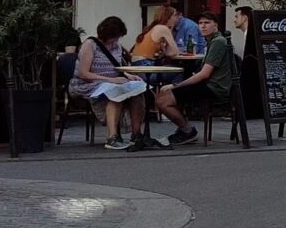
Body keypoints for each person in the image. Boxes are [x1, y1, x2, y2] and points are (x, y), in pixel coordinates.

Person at [149, 12, 237, 143]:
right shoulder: (213, 41)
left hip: (214, 87)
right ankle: (185, 129)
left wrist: (176, 85)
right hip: (210, 84)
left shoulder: (218, 42)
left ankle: (187, 131)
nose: (203, 26)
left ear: (216, 26)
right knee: (166, 96)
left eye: (207, 23)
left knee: (162, 100)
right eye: (201, 23)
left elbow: (204, 74)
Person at [72, 15, 154, 151]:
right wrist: (112, 80)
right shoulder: (90, 45)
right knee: (115, 92)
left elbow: (117, 66)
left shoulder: (117, 46)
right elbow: (84, 74)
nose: (116, 40)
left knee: (138, 91)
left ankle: (136, 134)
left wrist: (128, 76)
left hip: (113, 80)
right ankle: (112, 137)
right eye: (115, 37)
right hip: (88, 83)